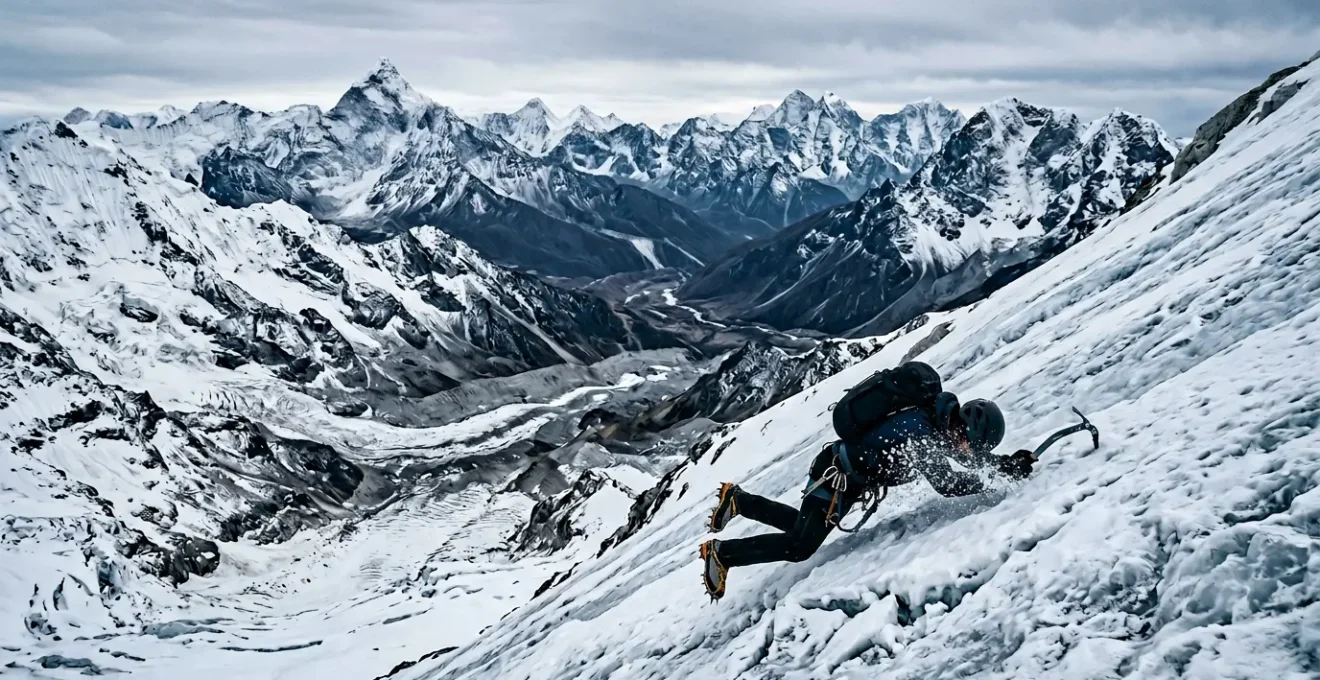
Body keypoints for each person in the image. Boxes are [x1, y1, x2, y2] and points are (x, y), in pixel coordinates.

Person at [699, 361, 1037, 600]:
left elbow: (962, 459)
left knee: (802, 527)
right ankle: (723, 554)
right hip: (837, 477)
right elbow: (946, 482)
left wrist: (1006, 464)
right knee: (799, 546)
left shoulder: (937, 422)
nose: (966, 449)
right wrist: (993, 480)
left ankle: (739, 501)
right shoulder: (919, 429)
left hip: (845, 475)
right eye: (969, 442)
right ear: (963, 426)